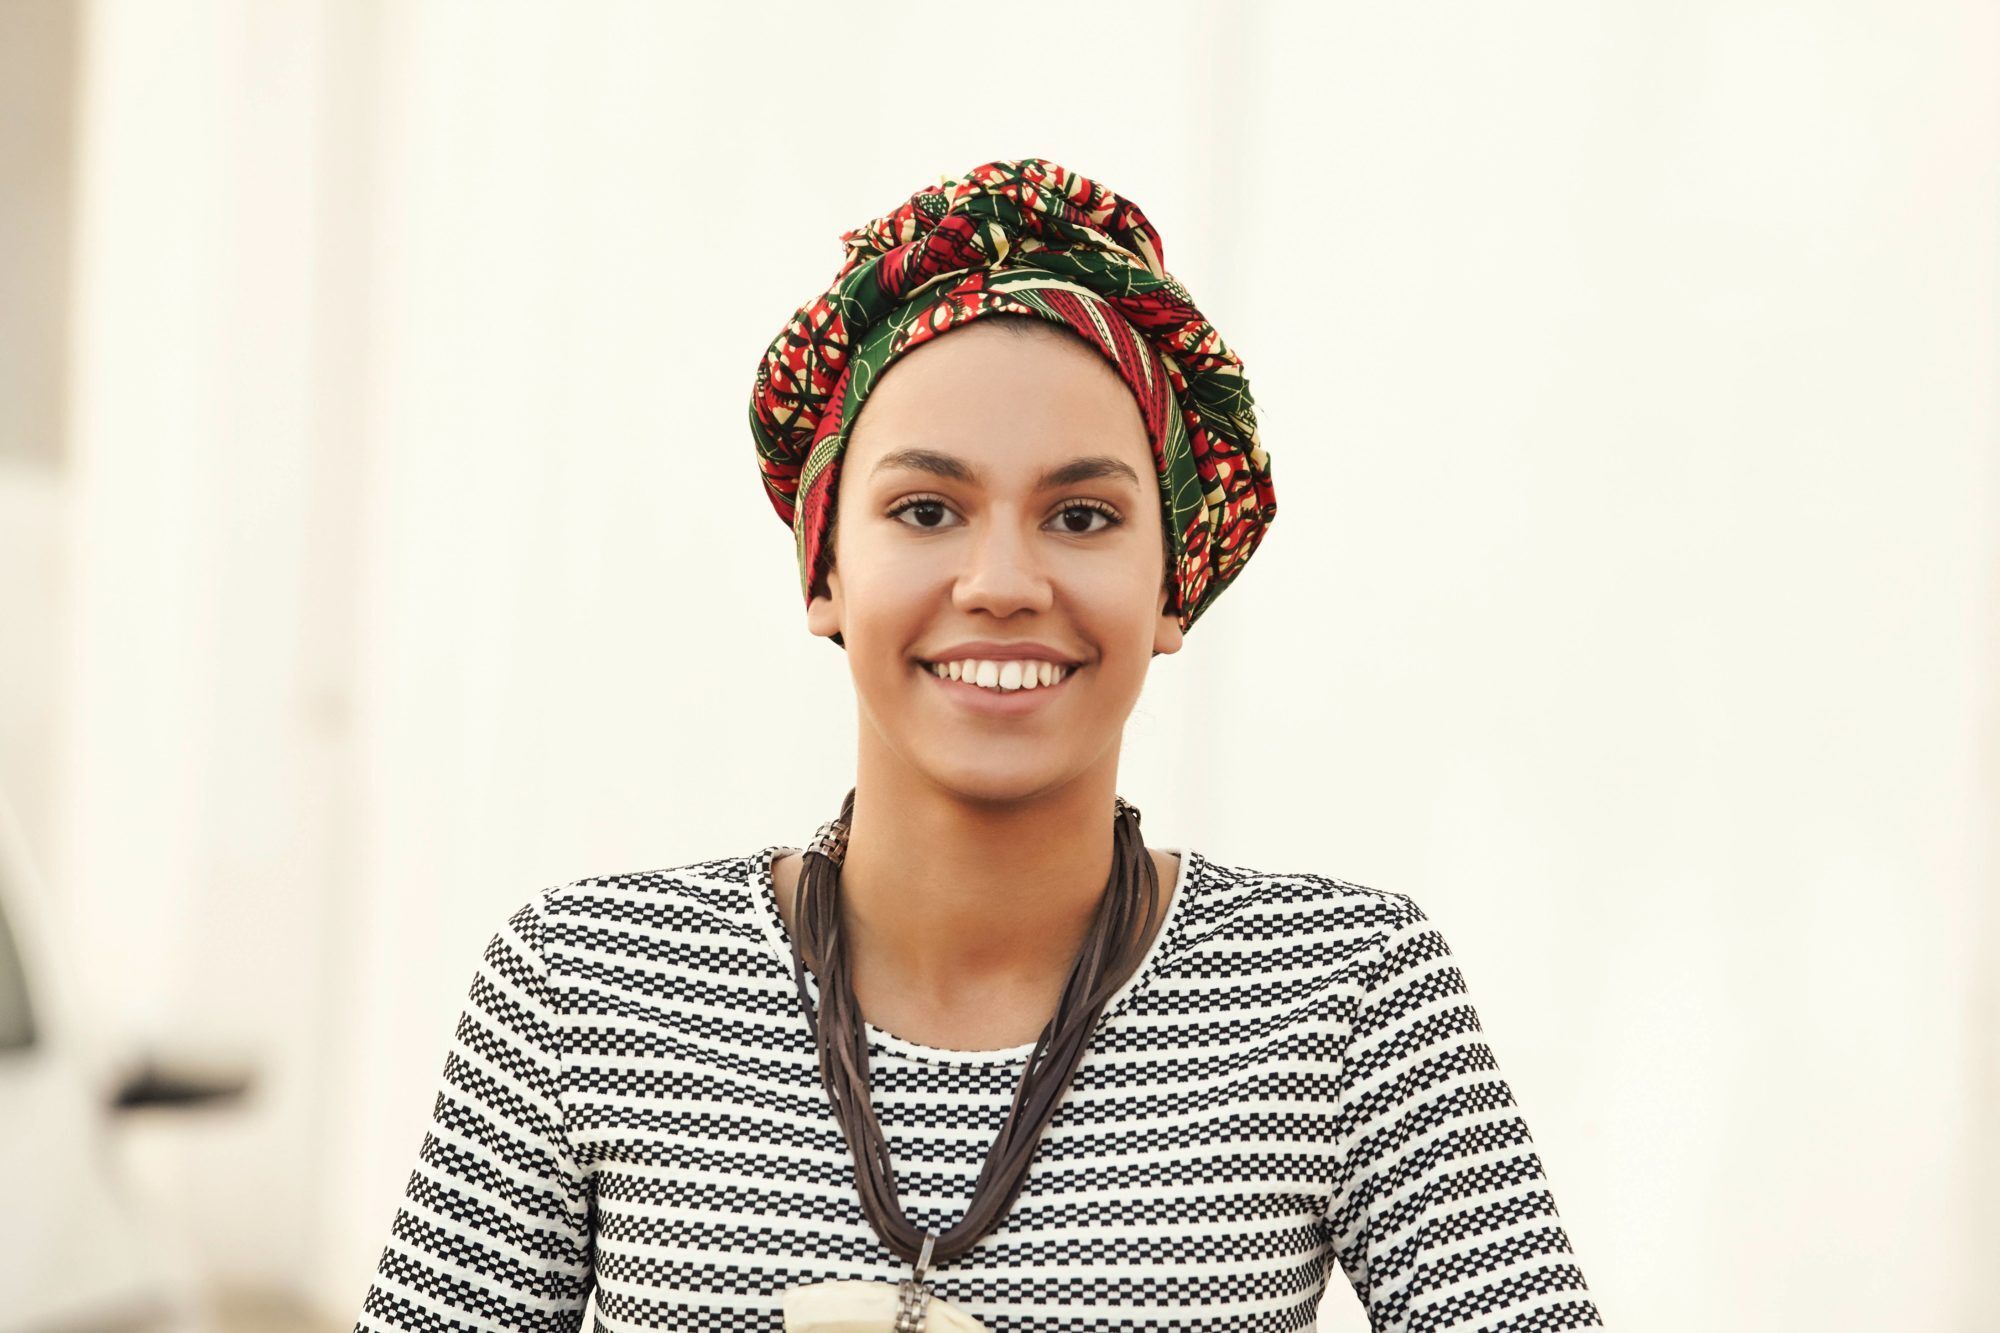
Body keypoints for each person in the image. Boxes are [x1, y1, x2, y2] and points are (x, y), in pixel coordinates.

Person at [354, 159, 1604, 1332]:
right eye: (924, 509)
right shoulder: (582, 987)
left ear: (1174, 584)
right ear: (826, 570)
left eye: (1080, 514)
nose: (1001, 580)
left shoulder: (1345, 992)